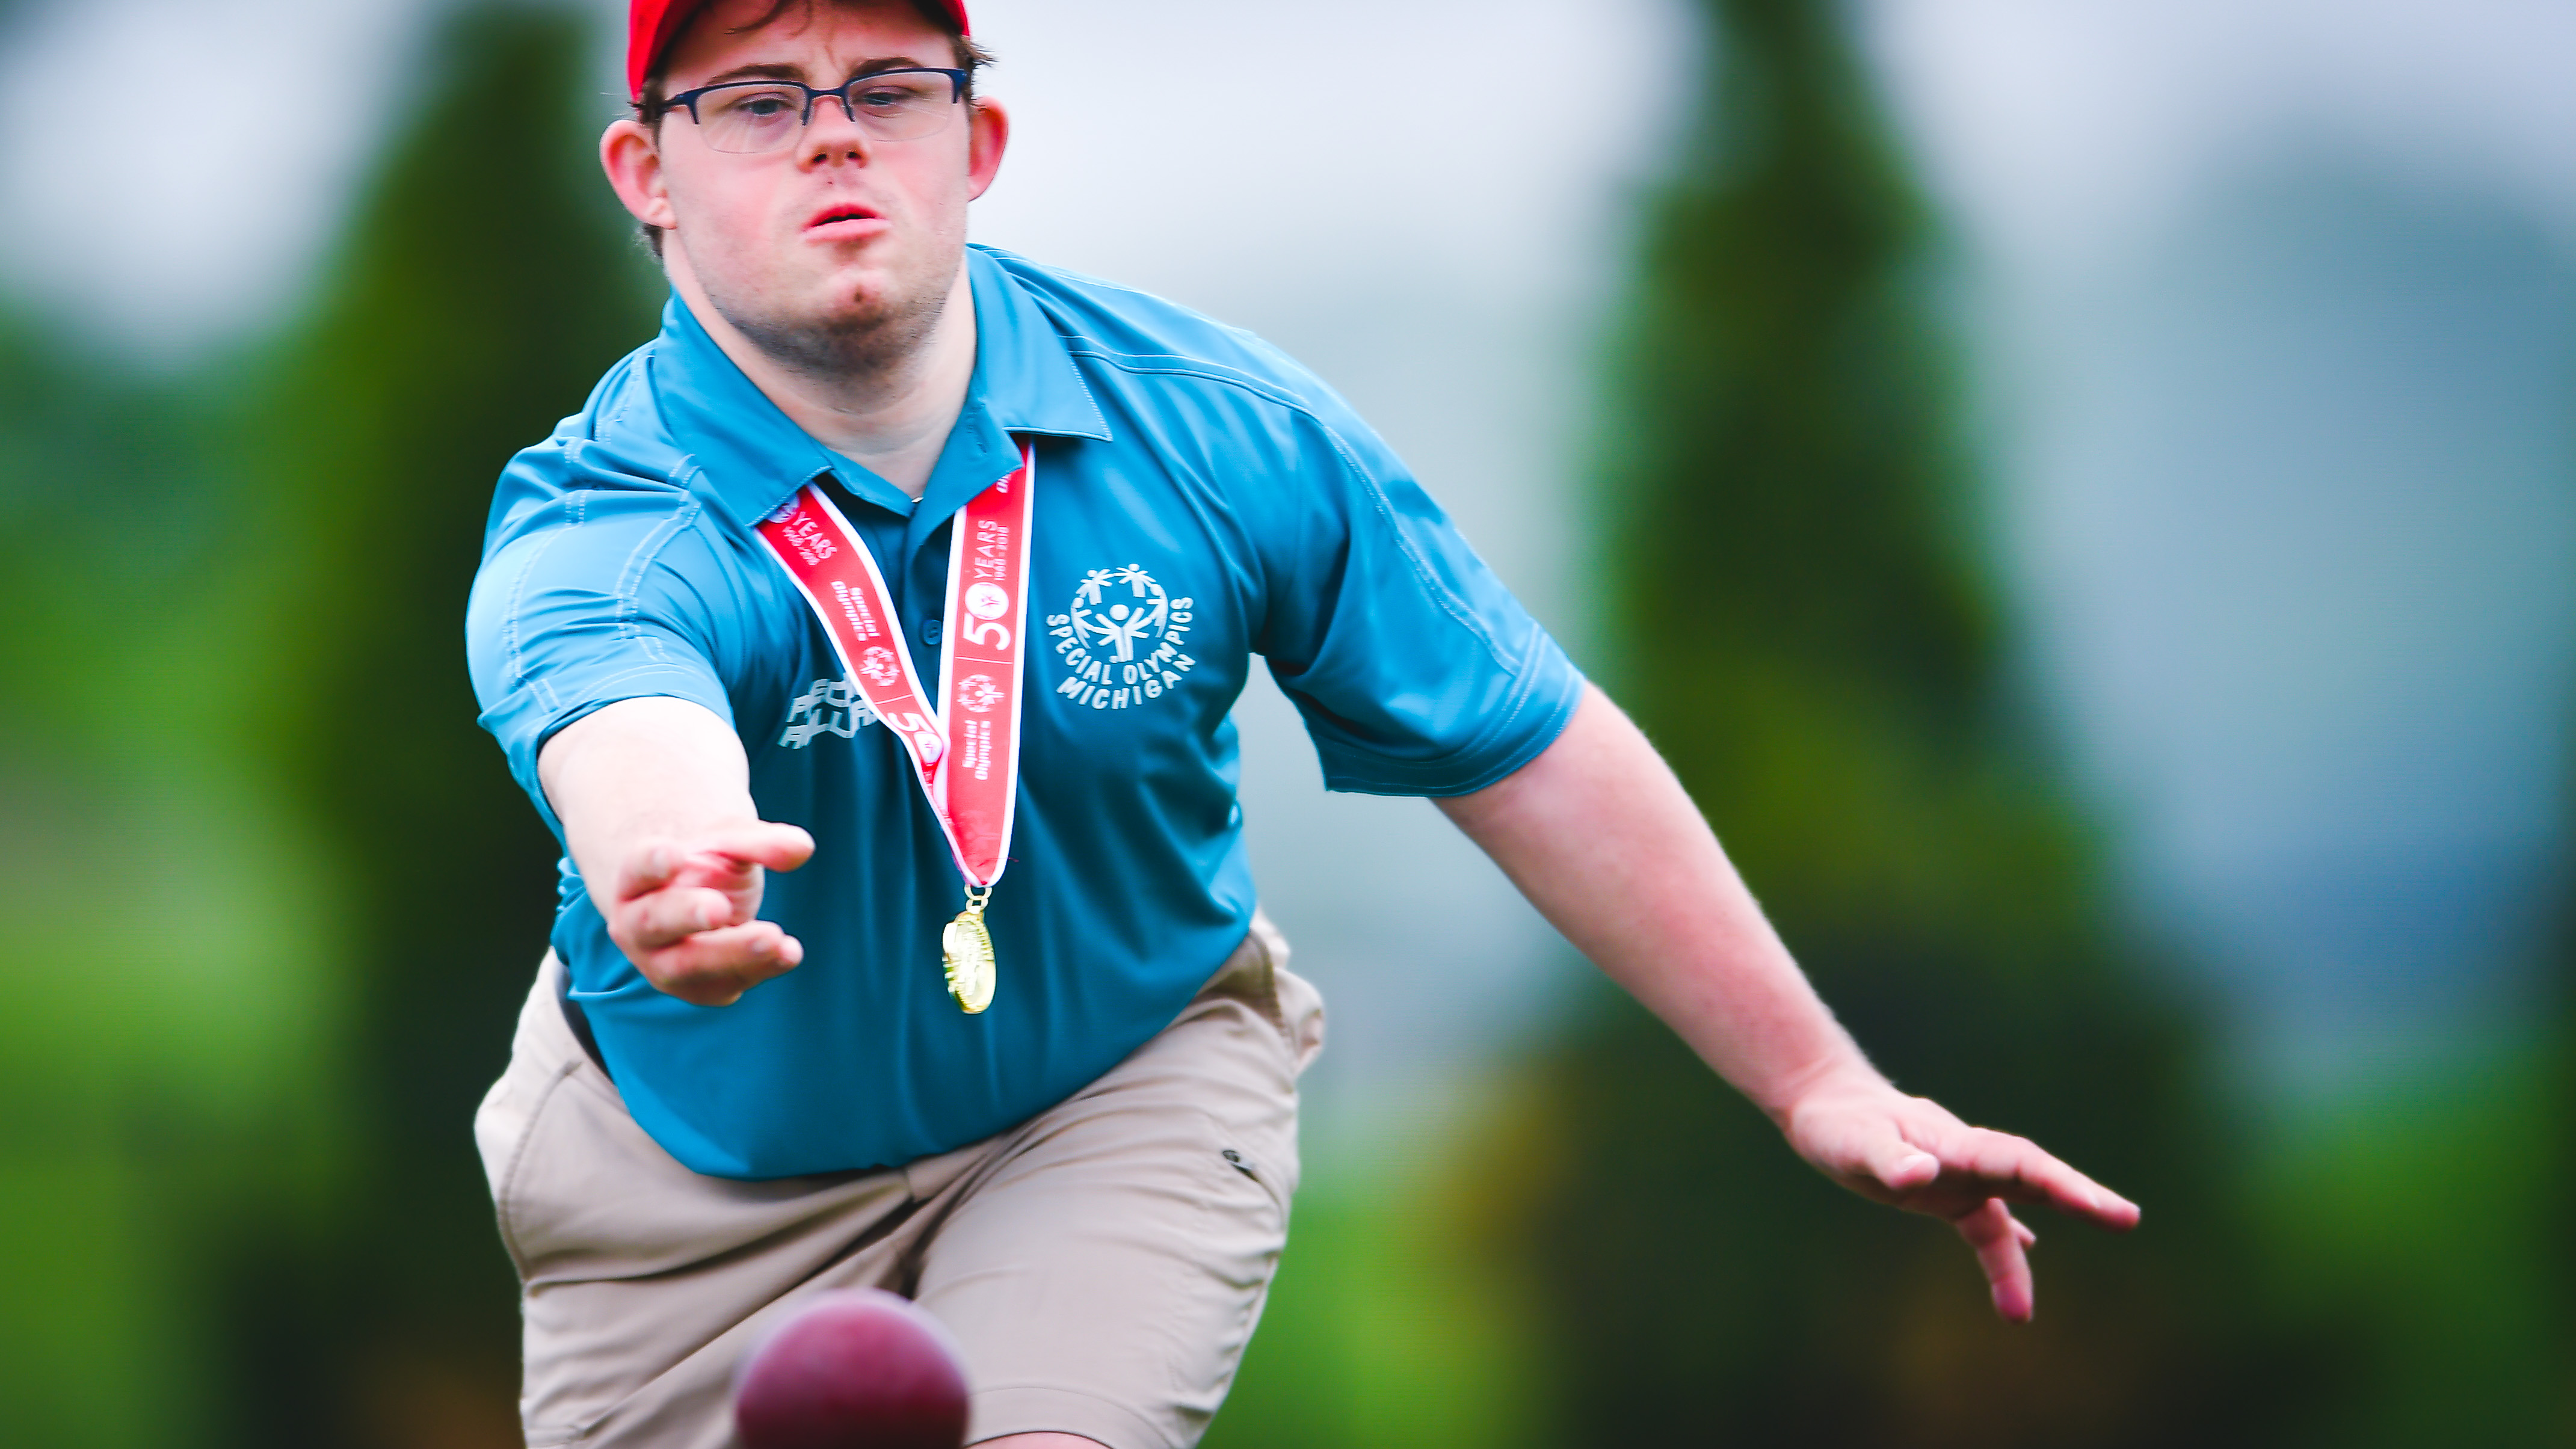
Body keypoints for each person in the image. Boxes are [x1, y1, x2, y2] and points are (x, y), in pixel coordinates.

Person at [464, 1, 2141, 1445]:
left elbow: (1518, 737)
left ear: (975, 140)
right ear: (648, 180)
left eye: (886, 88)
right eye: (756, 100)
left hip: (1110, 1087)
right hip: (693, 1187)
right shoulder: (606, 517)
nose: (832, 141)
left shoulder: (1211, 430)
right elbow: (625, 715)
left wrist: (1814, 1081)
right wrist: (668, 862)